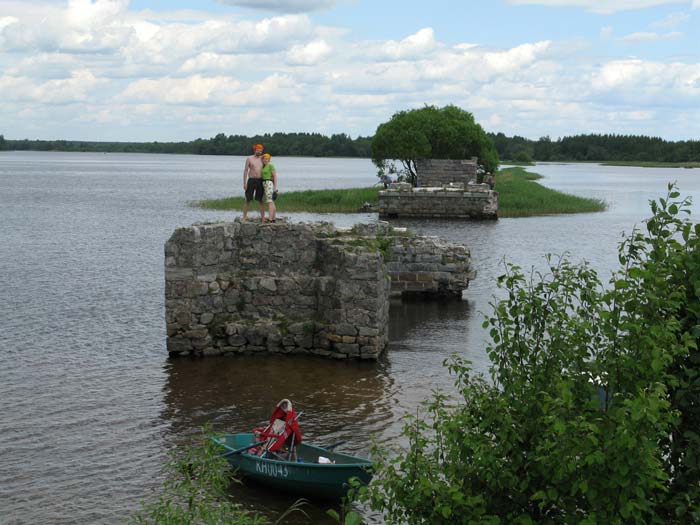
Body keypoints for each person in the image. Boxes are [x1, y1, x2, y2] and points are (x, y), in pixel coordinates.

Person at [242, 143, 265, 221]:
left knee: (261, 200)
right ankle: (244, 217)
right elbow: (245, 171)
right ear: (255, 150)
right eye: (258, 150)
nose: (259, 152)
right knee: (248, 199)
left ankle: (262, 218)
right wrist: (244, 183)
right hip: (251, 180)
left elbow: (268, 169)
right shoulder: (249, 158)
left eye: (261, 151)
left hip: (260, 180)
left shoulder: (263, 159)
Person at [261, 153, 278, 222]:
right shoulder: (264, 166)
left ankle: (270, 219)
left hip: (268, 183)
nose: (265, 160)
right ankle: (273, 218)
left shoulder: (270, 165)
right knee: (271, 201)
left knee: (270, 201)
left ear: (269, 160)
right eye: (264, 159)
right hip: (264, 183)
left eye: (267, 159)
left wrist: (275, 187)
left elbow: (275, 176)